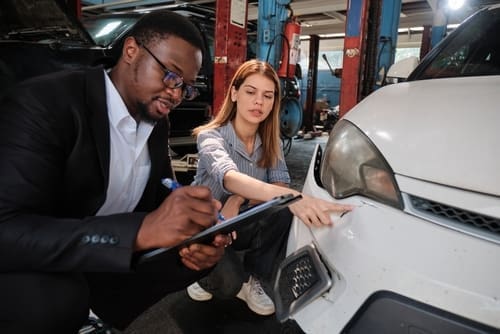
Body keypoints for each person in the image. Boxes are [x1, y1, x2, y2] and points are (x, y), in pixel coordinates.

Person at [0, 10, 231, 334]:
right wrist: (138, 232)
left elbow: (160, 190)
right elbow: (7, 232)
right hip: (28, 259)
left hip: (93, 252)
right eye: (170, 76)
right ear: (131, 50)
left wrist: (195, 225)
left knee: (183, 259)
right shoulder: (45, 104)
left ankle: (96, 316)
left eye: (186, 87)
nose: (176, 94)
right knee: (56, 300)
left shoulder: (155, 120)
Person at [186, 59, 353, 315]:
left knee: (283, 210)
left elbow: (279, 185)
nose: (259, 102)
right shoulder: (212, 136)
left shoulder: (270, 141)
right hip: (209, 223)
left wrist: (238, 199)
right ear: (234, 93)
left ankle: (254, 277)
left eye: (268, 96)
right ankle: (200, 274)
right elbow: (229, 177)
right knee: (228, 285)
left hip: (238, 217)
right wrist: (296, 196)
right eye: (250, 92)